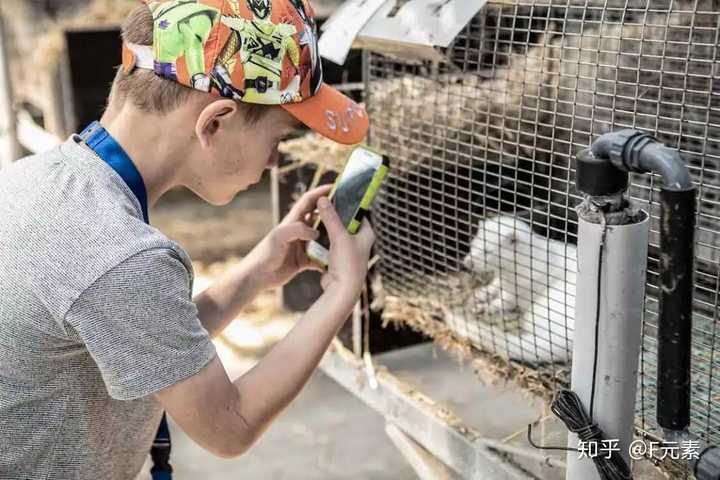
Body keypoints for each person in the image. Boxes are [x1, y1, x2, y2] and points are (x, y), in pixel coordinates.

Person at [0, 0, 373, 479]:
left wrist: (258, 271)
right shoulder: (119, 254)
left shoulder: (39, 181)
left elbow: (148, 339)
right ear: (214, 122)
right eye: (278, 140)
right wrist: (342, 290)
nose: (272, 163)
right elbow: (231, 425)